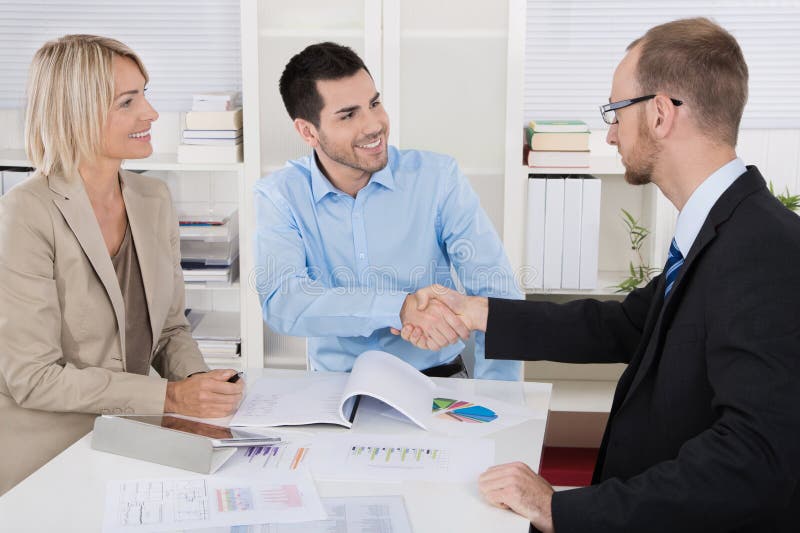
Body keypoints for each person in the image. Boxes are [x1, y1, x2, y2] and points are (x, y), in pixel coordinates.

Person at [403, 18, 800, 532]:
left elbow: (754, 460)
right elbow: (625, 325)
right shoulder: (723, 228)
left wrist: (560, 509)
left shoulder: (765, 249)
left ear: (659, 114)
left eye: (615, 111)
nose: (610, 132)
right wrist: (475, 311)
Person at [0, 35, 244, 495]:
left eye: (145, 94)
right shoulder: (26, 212)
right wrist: (169, 397)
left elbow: (170, 329)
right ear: (77, 111)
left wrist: (198, 383)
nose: (150, 113)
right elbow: (33, 379)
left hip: (128, 436)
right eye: (127, 102)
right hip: (44, 454)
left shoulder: (153, 198)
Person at [253, 42, 521, 380]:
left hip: (438, 378)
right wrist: (399, 308)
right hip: (334, 385)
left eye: (374, 103)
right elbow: (284, 302)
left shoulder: (438, 178)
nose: (373, 125)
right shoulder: (280, 196)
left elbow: (497, 293)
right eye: (349, 115)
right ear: (308, 131)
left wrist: (498, 397)